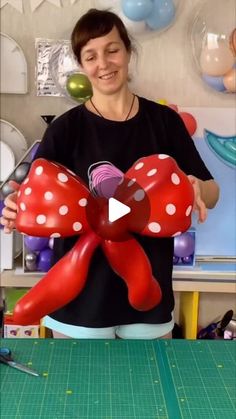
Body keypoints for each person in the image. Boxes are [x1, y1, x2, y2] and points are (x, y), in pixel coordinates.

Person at [0, 9, 219, 339]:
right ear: (82, 64)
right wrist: (18, 205)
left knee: (148, 390)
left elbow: (212, 191)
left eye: (112, 49)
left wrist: (198, 189)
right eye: (91, 55)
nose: (103, 63)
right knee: (79, 390)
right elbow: (34, 194)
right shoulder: (64, 130)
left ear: (128, 51)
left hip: (148, 301)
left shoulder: (164, 123)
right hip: (78, 305)